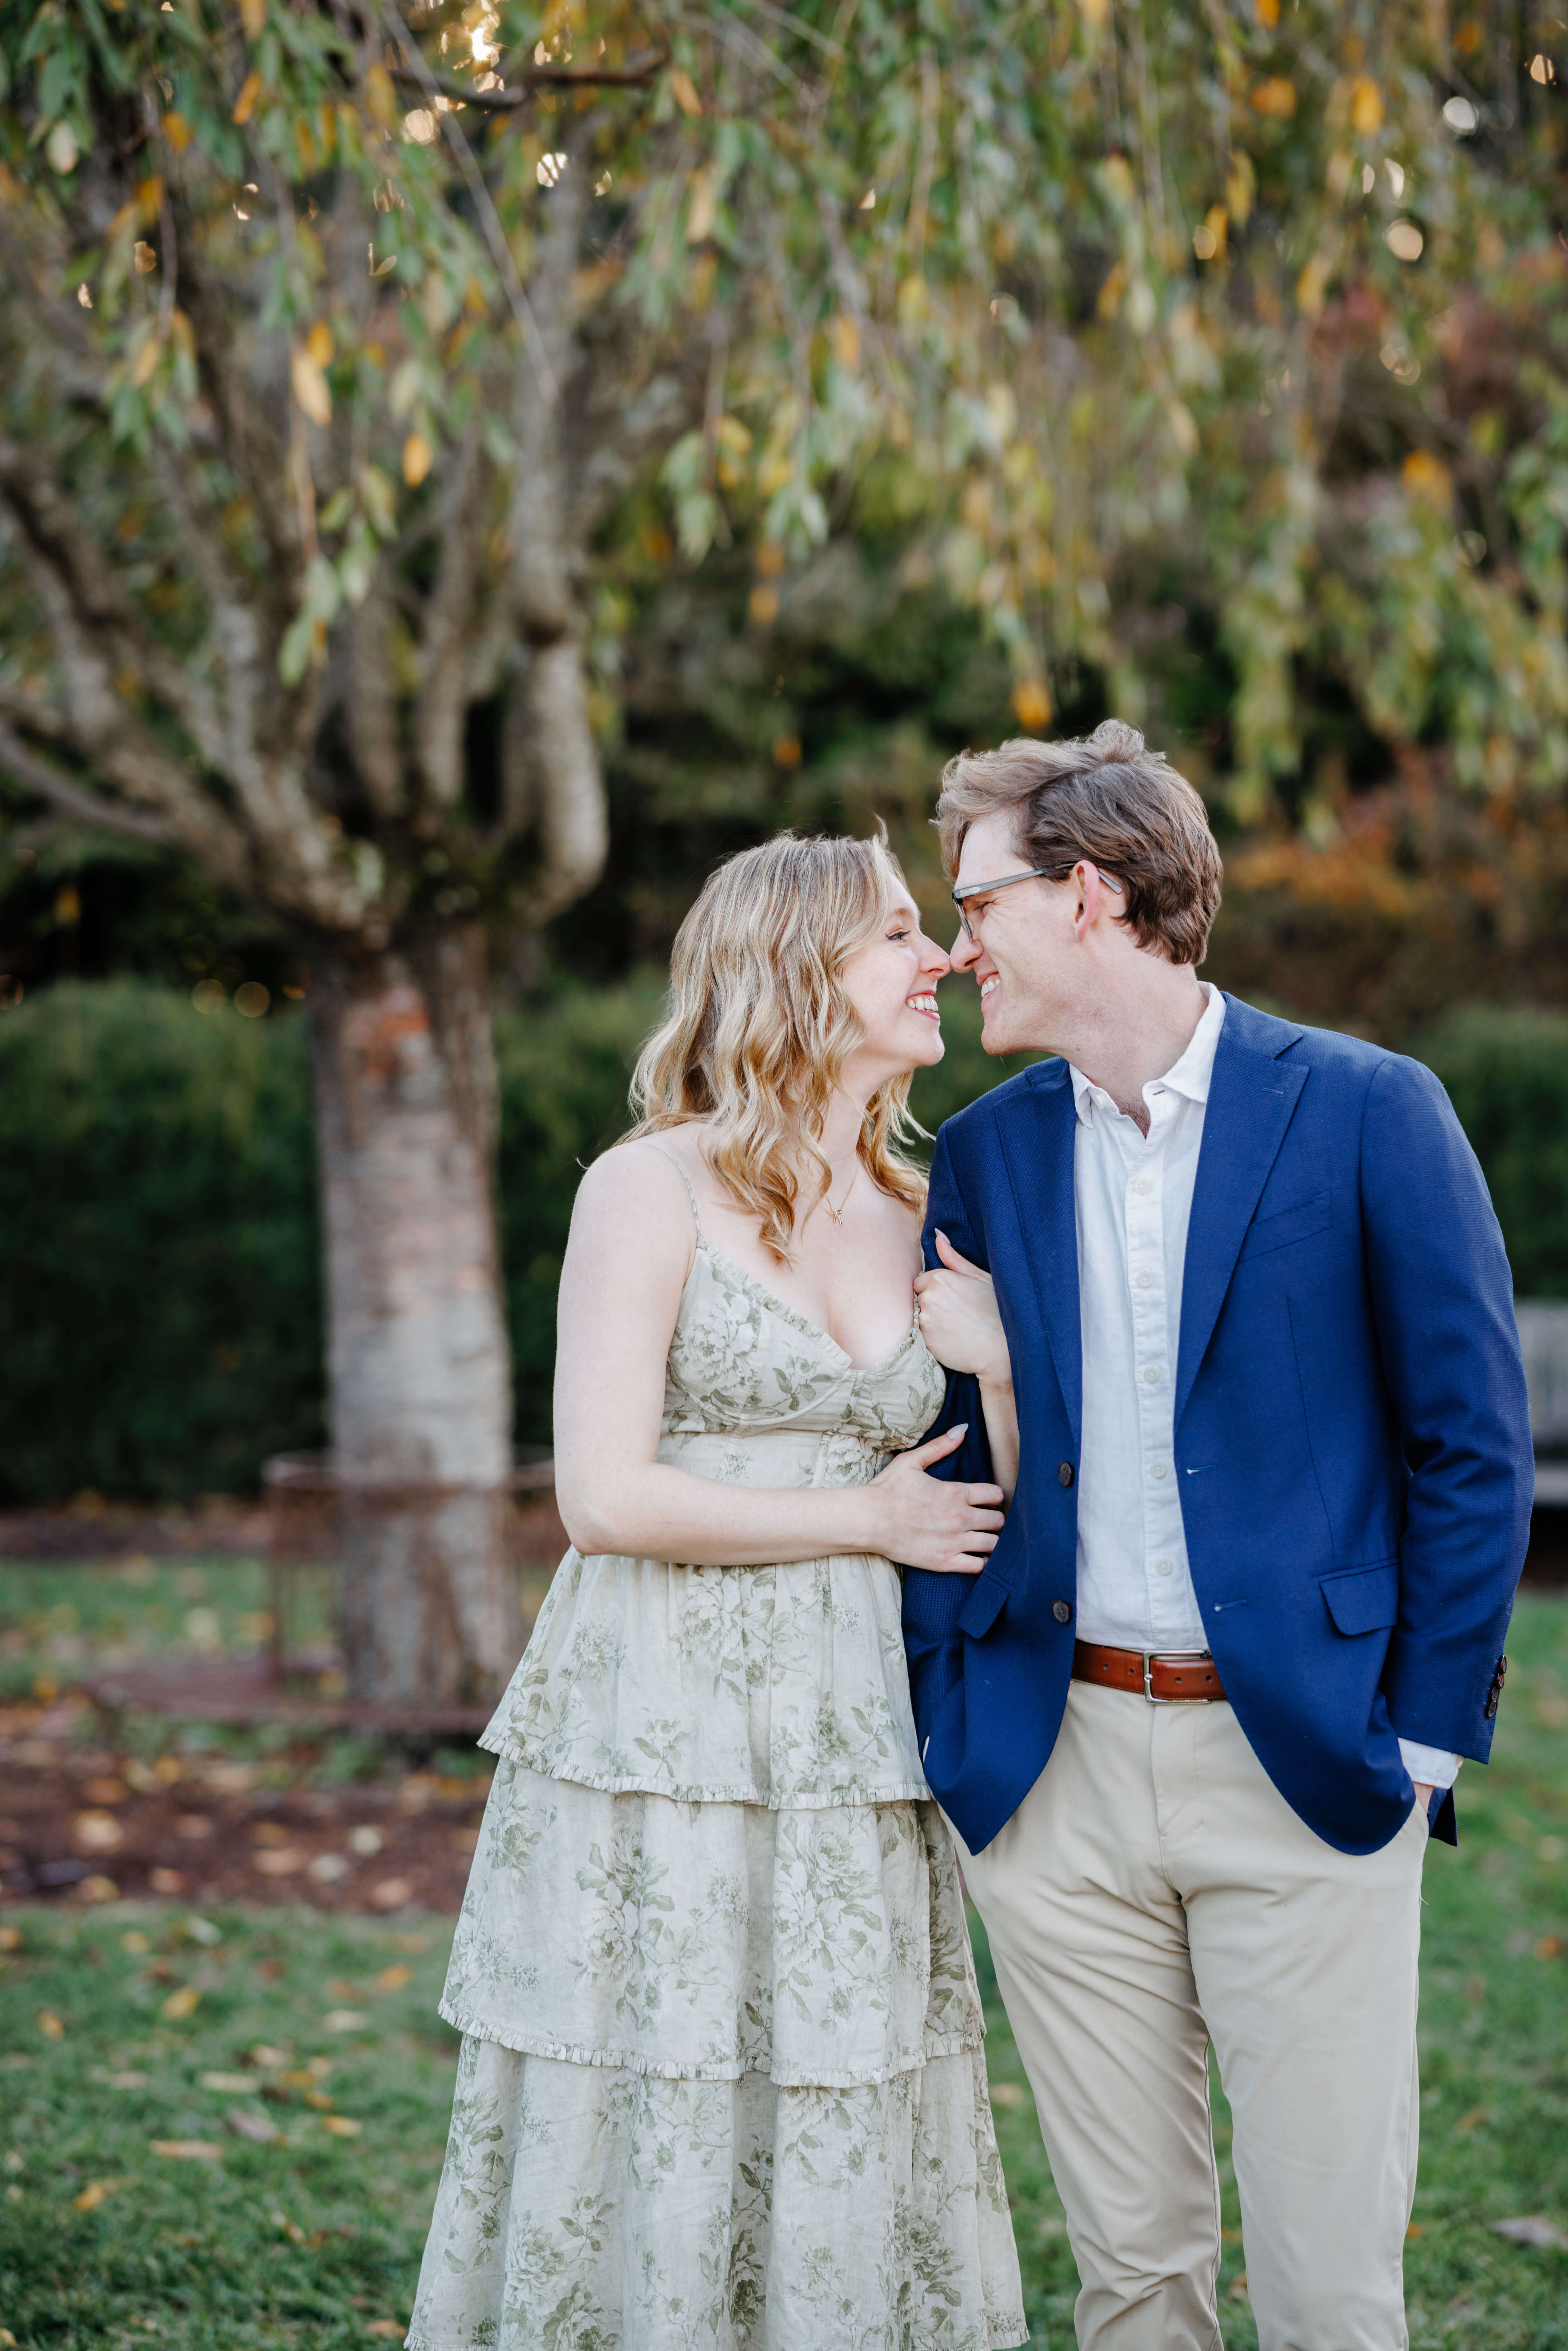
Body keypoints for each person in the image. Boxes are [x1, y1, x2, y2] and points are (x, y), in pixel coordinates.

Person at [906, 721, 1532, 2351]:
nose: (955, 940)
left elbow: (1469, 1447)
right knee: (1132, 2281)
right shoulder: (980, 1156)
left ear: (1089, 896)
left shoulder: (1367, 1110)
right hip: (1057, 1777)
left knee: (1329, 2288)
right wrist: (958, 1713)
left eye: (976, 900)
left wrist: (1419, 1743)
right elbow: (962, 1463)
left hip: (1310, 1771)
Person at [407, 832, 1027, 2351]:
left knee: (842, 2073)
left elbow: (1003, 1493)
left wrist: (1002, 1358)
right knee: (654, 2072)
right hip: (660, 1714)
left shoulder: (933, 1200)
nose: (938, 957)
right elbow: (602, 1497)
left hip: (849, 1728)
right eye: (897, 934)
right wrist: (862, 1515)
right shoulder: (648, 1189)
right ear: (793, 968)